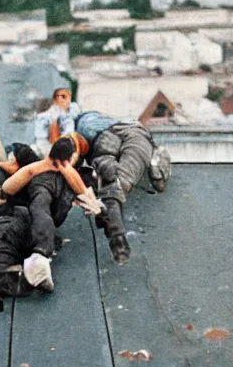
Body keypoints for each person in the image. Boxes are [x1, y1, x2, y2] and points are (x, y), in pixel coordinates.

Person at [73, 111, 172, 264]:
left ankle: (115, 235)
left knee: (109, 175)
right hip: (135, 135)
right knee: (118, 184)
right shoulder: (144, 143)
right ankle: (118, 241)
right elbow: (159, 183)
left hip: (103, 133)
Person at [2, 135, 104, 259]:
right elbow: (7, 190)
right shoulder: (35, 173)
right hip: (27, 208)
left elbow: (77, 182)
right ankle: (43, 246)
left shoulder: (62, 169)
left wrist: (91, 202)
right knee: (40, 205)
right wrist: (44, 248)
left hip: (41, 202)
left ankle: (43, 245)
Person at [33, 87, 81, 157]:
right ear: (55, 101)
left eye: (68, 97)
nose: (67, 101)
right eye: (63, 97)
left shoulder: (73, 110)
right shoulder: (45, 118)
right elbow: (42, 140)